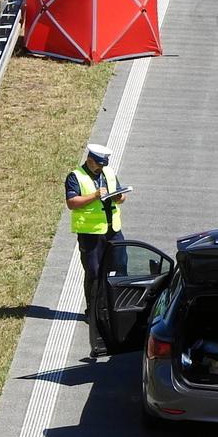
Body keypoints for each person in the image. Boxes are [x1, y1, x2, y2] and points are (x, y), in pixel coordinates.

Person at [65, 143, 128, 357]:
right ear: (90, 160)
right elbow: (72, 202)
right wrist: (94, 196)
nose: (101, 168)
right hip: (91, 233)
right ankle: (92, 311)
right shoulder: (75, 176)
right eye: (98, 164)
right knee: (93, 272)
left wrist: (118, 196)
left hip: (113, 229)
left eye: (103, 165)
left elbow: (121, 197)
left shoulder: (109, 173)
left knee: (120, 268)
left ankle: (117, 308)